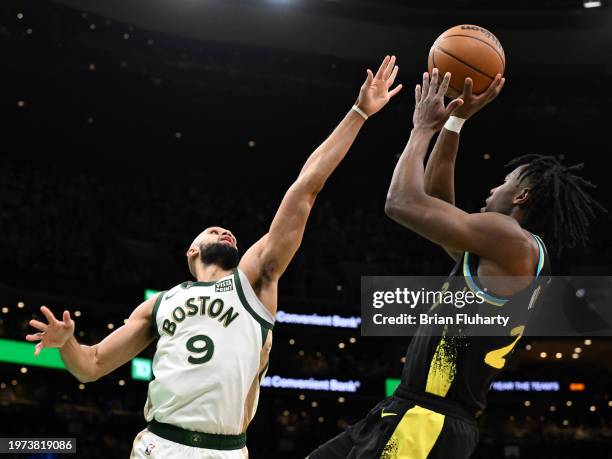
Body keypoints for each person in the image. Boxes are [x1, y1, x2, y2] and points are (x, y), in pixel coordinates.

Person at [25, 55, 403, 458]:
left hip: (225, 450)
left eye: (229, 233)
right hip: (160, 445)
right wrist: (67, 343)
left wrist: (359, 112)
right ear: (192, 250)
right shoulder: (159, 303)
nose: (224, 231)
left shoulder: (254, 280)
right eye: (212, 230)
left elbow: (304, 189)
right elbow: (93, 364)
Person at [309, 69, 602, 458]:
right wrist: (455, 121)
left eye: (505, 182)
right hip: (408, 413)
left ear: (522, 196)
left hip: (428, 422)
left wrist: (421, 129)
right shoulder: (507, 255)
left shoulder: (513, 241)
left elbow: (402, 203)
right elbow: (435, 201)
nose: (493, 188)